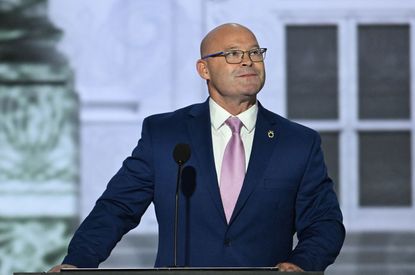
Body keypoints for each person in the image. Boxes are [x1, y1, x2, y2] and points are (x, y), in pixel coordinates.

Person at [49, 23, 345, 272]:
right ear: (204, 69)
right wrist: (78, 263)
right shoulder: (165, 134)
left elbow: (325, 222)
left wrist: (302, 263)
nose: (247, 61)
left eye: (255, 52)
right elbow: (117, 208)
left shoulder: (298, 142)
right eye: (232, 54)